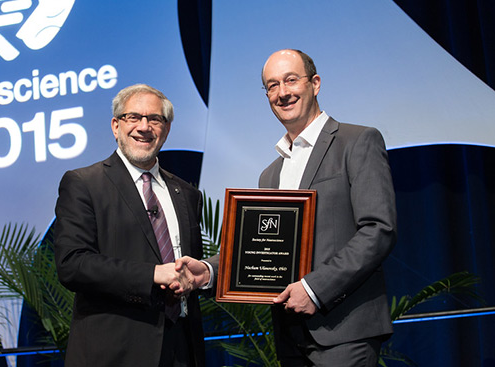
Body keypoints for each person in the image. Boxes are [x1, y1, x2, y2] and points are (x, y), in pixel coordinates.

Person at [177, 49, 397, 366]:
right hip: (290, 337)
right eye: (272, 85)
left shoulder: (357, 141)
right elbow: (259, 249)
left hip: (344, 332)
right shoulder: (270, 174)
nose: (282, 93)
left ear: (315, 83)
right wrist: (210, 270)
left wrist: (315, 289)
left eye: (291, 80)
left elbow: (379, 230)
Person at [53, 84, 206, 367]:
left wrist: (204, 274)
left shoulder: (186, 194)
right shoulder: (84, 184)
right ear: (116, 125)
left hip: (183, 350)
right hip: (116, 353)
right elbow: (72, 264)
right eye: (133, 117)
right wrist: (151, 275)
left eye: (154, 119)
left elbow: (190, 268)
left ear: (167, 128)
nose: (144, 127)